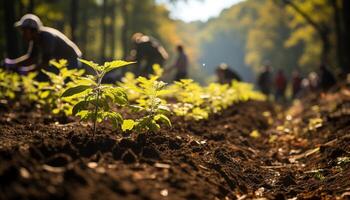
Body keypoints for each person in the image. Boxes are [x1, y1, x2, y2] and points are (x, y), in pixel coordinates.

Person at [4, 14, 82, 81]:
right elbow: (31, 58)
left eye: (24, 30)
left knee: (67, 83)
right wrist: (13, 63)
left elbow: (45, 62)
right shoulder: (35, 38)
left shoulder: (47, 37)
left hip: (72, 59)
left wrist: (27, 71)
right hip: (61, 61)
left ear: (33, 30)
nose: (23, 33)